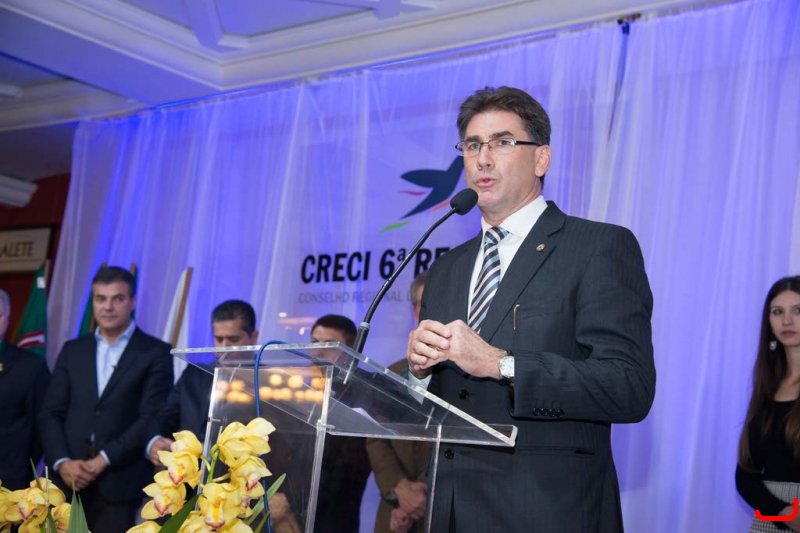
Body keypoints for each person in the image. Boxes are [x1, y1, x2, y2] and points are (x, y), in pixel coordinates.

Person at [406, 86, 655, 532]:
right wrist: (419, 375)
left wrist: (502, 364)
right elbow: (444, 405)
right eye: (472, 145)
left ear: (541, 159)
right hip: (451, 510)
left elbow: (628, 386)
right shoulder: (446, 268)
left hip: (546, 510)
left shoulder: (597, 247)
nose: (483, 159)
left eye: (502, 142)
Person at [39, 266, 174, 533]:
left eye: (117, 298)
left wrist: (102, 459)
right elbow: (50, 412)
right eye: (101, 298)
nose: (108, 307)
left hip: (119, 483)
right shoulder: (73, 349)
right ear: (93, 302)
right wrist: (62, 462)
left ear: (132, 301)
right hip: (66, 481)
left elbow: (151, 416)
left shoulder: (155, 352)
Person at [146, 299, 259, 463]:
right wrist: (155, 441)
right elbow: (166, 415)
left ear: (253, 337)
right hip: (187, 474)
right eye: (218, 339)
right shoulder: (195, 373)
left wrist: (205, 449)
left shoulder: (266, 381)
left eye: (233, 340)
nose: (224, 347)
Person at [367, 272, 432, 533]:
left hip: (443, 509)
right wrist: (400, 488)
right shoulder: (392, 374)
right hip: (393, 512)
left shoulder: (472, 379)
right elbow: (375, 438)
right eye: (427, 305)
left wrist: (421, 492)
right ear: (415, 312)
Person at [736, 276, 800, 533]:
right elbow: (745, 474)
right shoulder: (766, 387)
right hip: (771, 520)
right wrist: (785, 513)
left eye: (798, 310)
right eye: (777, 312)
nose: (787, 321)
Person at [310, 314, 373, 533]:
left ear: (351, 350)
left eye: (328, 345)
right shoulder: (296, 389)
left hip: (337, 513)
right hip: (293, 507)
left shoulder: (365, 396)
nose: (316, 352)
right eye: (314, 342)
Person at [0, 288, 50, 490]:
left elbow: (42, 426)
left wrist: (20, 466)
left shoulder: (31, 367)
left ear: (7, 320)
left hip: (9, 480)